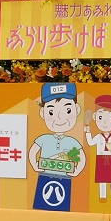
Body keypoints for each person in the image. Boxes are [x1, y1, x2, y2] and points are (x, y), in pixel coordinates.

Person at [30, 83, 86, 212]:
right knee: (41, 208)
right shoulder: (44, 139)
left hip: (65, 177)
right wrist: (35, 165)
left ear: (77, 110)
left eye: (68, 111)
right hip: (45, 175)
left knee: (63, 208)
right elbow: (33, 151)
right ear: (43, 113)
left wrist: (76, 171)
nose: (60, 118)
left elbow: (81, 157)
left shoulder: (72, 142)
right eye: (51, 112)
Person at [85, 94, 111, 204]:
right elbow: (90, 143)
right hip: (100, 158)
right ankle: (102, 196)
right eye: (101, 118)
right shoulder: (98, 136)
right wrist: (88, 132)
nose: (105, 123)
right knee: (102, 179)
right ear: (95, 117)